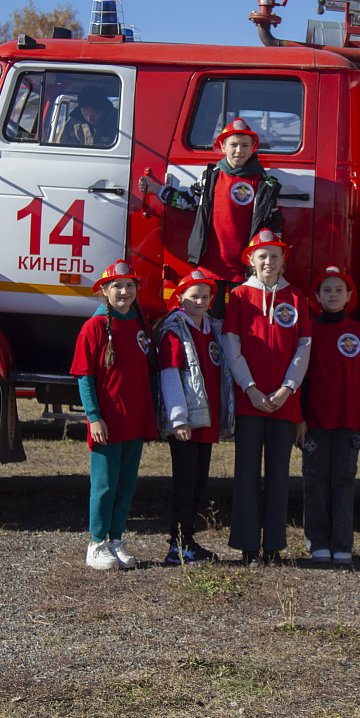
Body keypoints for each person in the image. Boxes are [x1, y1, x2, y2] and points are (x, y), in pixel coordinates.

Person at [221, 229, 311, 566]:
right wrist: (250, 388)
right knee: (246, 473)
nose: (269, 262)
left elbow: (304, 348)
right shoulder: (240, 297)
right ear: (251, 261)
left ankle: (273, 546)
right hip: (251, 400)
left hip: (284, 403)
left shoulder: (297, 298)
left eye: (274, 255)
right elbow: (232, 345)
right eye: (262, 256)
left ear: (283, 259)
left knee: (279, 474)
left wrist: (288, 388)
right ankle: (247, 546)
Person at [139, 118, 283, 313]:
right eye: (233, 145)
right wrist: (156, 189)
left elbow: (272, 224)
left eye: (244, 145)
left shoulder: (265, 183)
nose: (238, 150)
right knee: (210, 317)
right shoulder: (211, 176)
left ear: (252, 148)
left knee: (240, 319)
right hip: (211, 264)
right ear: (223, 147)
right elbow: (188, 201)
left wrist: (275, 259)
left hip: (246, 268)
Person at [70, 260, 157, 571]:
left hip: (134, 420)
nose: (124, 291)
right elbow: (84, 377)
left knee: (127, 483)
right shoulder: (93, 328)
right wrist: (93, 417)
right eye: (117, 286)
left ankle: (116, 539)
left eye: (130, 286)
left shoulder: (141, 325)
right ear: (104, 291)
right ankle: (96, 543)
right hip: (108, 422)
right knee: (104, 484)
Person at [300, 266, 360, 565]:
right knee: (315, 480)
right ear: (317, 297)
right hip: (316, 422)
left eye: (339, 290)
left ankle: (341, 544)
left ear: (349, 296)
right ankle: (318, 542)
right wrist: (301, 418)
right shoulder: (308, 330)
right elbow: (303, 379)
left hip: (349, 421)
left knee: (344, 482)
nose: (333, 295)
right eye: (327, 290)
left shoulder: (359, 332)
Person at [156, 268, 234, 565]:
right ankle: (176, 546)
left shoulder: (211, 329)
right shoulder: (175, 331)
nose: (199, 302)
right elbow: (170, 376)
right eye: (193, 296)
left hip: (205, 420)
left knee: (199, 482)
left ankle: (188, 541)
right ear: (180, 298)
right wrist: (178, 419)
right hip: (187, 423)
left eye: (205, 296)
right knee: (185, 483)